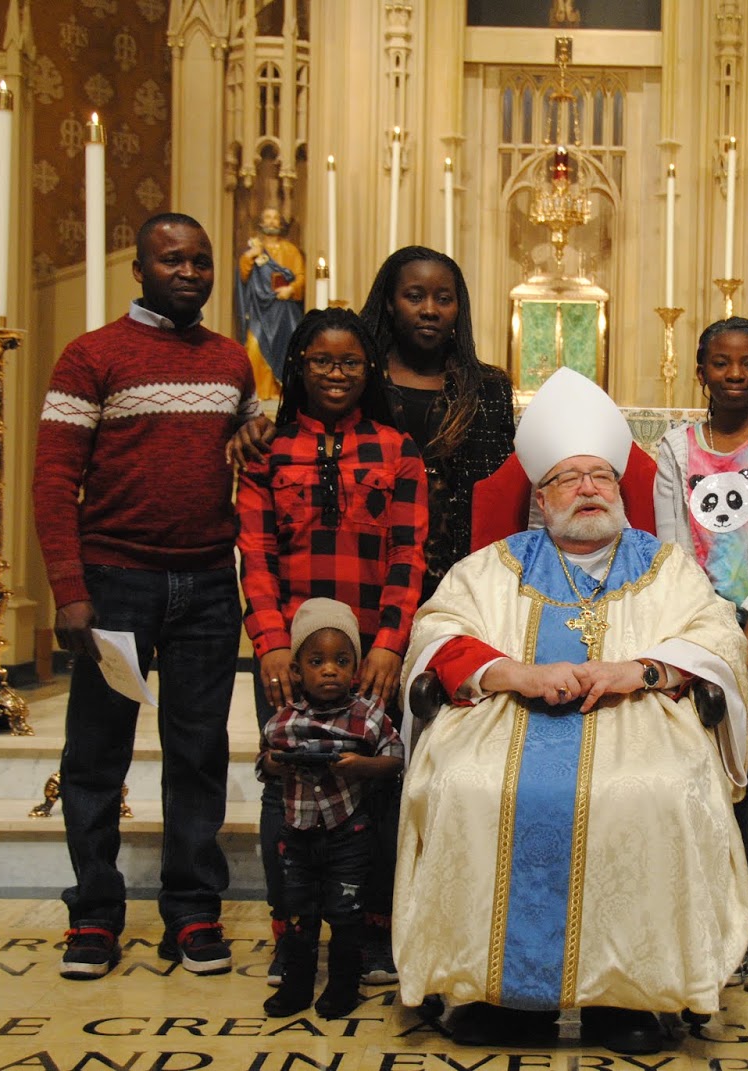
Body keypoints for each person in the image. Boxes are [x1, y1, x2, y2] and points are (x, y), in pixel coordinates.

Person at [394, 369, 748, 1055]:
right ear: (541, 496)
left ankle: (631, 998)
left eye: (601, 476)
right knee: (466, 784)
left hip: (638, 718)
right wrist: (514, 673)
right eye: (568, 478)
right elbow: (439, 629)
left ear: (619, 488)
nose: (589, 488)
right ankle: (496, 994)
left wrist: (642, 669)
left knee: (658, 790)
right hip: (506, 718)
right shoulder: (496, 564)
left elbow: (717, 636)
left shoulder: (665, 566)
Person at [32, 212, 259, 980]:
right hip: (116, 582)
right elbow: (54, 480)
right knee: (97, 754)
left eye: (201, 260)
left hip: (207, 582)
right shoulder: (91, 355)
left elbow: (252, 447)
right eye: (172, 259)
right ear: (139, 269)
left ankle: (192, 909)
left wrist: (256, 436)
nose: (190, 272)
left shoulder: (231, 360)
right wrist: (69, 588)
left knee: (198, 752)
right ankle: (94, 913)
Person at [236, 306, 428, 986]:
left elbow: (409, 554)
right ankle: (290, 932)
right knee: (283, 783)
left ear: (369, 369)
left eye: (350, 362)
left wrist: (389, 645)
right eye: (322, 361)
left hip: (369, 654)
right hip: (290, 654)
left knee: (373, 786)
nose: (337, 373)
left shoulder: (398, 449)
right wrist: (269, 643)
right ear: (299, 366)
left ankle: (370, 932)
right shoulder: (268, 451)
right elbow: (255, 553)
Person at [653, 317, 748, 992]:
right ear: (701, 372)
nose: (735, 374)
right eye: (721, 363)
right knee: (723, 771)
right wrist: (709, 637)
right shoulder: (674, 448)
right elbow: (674, 553)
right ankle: (729, 913)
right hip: (704, 634)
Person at [231, 245, 515, 600]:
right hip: (367, 571)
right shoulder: (355, 376)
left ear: (459, 308)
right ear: (390, 303)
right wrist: (260, 428)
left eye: (444, 299)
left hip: (462, 575)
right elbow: (307, 433)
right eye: (414, 296)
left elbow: (501, 489)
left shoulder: (487, 388)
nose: (429, 309)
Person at [257, 598, 404, 1020]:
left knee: (346, 913)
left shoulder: (369, 717)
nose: (329, 671)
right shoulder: (283, 720)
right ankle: (297, 985)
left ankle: (343, 986)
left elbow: (396, 759)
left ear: (355, 668)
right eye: (317, 661)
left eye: (341, 661)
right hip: (298, 834)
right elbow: (264, 763)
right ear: (297, 670)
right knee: (299, 914)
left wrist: (362, 766)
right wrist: (278, 762)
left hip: (348, 835)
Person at [236, 205, 306, 401]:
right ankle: (257, 393)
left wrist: (291, 289)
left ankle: (279, 391)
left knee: (289, 346)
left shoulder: (291, 250)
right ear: (261, 223)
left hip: (284, 309)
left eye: (275, 218)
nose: (272, 221)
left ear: (280, 223)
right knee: (254, 348)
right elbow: (243, 276)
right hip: (260, 309)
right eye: (267, 217)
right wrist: (250, 256)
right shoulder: (254, 249)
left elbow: (301, 276)